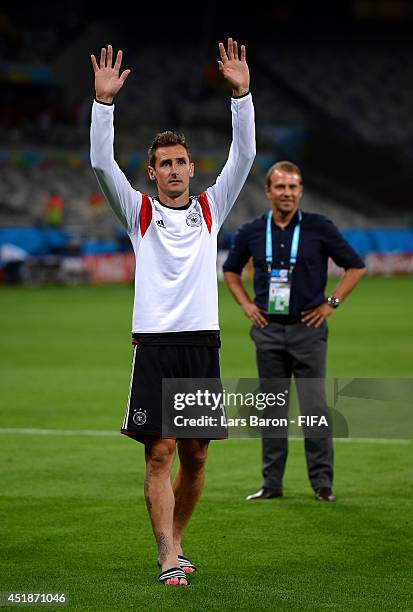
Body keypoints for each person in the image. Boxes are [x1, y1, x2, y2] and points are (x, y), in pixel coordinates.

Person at [90, 41, 255, 585]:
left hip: (202, 343)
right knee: (159, 454)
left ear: (191, 168)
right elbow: (99, 162)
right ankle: (167, 557)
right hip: (156, 344)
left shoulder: (211, 208)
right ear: (153, 173)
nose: (176, 170)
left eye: (182, 161)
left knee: (198, 457)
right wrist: (104, 105)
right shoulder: (138, 213)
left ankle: (176, 540)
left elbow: (245, 156)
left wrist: (242, 95)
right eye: (165, 163)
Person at [223, 161, 365, 503]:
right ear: (268, 191)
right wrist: (246, 305)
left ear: (300, 191)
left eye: (294, 187)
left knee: (314, 409)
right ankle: (272, 484)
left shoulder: (319, 227)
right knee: (272, 409)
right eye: (281, 187)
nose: (288, 193)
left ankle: (322, 485)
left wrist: (331, 302)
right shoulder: (252, 231)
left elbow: (355, 266)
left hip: (308, 330)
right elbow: (230, 271)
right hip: (268, 330)